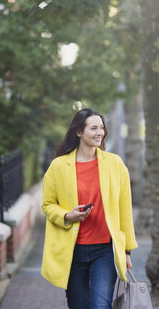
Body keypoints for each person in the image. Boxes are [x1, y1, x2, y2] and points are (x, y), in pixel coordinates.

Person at [41, 108, 138, 309]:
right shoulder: (58, 166)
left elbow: (124, 210)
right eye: (93, 128)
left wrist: (127, 250)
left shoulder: (115, 164)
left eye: (101, 127)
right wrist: (67, 215)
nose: (99, 132)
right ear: (79, 132)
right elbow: (48, 205)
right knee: (78, 305)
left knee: (100, 306)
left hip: (104, 250)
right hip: (72, 250)